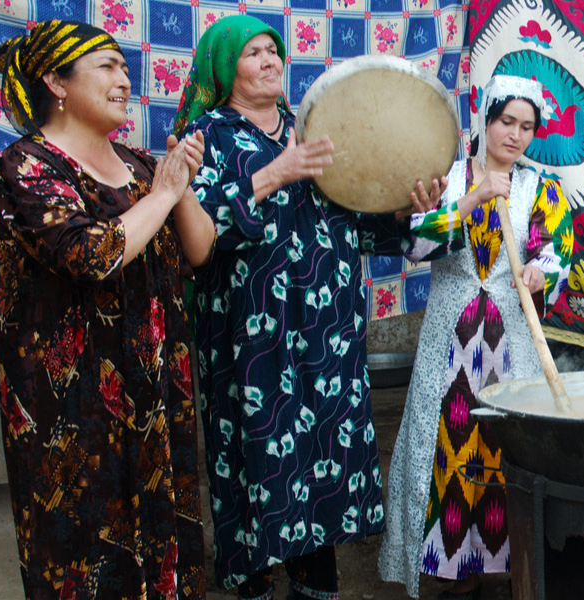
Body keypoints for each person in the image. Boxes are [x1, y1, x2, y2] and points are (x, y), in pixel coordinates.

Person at [173, 15, 442, 599]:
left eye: (275, 50)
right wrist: (275, 174)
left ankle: (317, 582)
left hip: (327, 330)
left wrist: (403, 207)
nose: (271, 60)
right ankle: (254, 583)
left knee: (323, 449)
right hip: (252, 334)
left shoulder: (320, 127)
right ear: (225, 68)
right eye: (254, 53)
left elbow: (361, 219)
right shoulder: (207, 136)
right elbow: (198, 237)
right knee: (258, 453)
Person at [0, 20, 215, 599]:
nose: (124, 79)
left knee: (161, 545)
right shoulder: (26, 166)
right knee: (86, 550)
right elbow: (92, 257)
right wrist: (163, 194)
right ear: (55, 82)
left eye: (124, 65)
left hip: (154, 396)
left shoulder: (142, 165)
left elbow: (199, 249)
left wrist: (179, 182)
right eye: (107, 67)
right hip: (72, 411)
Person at [380, 75, 572, 599]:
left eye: (526, 127)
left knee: (505, 444)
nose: (515, 135)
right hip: (451, 332)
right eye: (506, 121)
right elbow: (416, 247)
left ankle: (503, 569)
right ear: (485, 120)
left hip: (510, 336)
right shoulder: (449, 177)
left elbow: (556, 250)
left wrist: (541, 272)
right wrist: (474, 198)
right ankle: (448, 569)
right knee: (446, 444)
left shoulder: (541, 188)